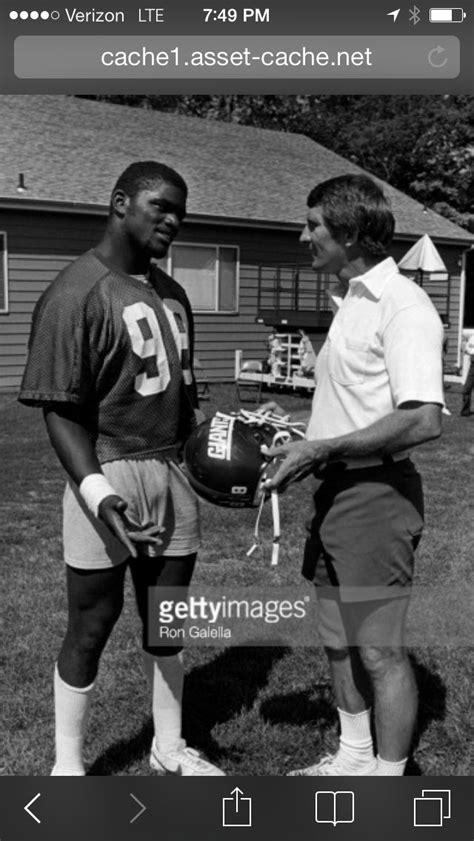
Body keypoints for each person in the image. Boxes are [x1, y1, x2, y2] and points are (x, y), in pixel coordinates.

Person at [18, 161, 224, 777]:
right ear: (119, 203)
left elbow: (182, 400)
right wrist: (97, 491)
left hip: (170, 474)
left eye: (180, 211)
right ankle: (67, 769)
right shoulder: (74, 292)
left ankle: (167, 746)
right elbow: (60, 409)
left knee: (167, 619)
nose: (173, 220)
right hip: (107, 471)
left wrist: (226, 444)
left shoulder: (174, 293)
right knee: (93, 623)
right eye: (160, 206)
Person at [263, 174, 444, 776]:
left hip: (376, 496)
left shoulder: (403, 306)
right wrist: (294, 433)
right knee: (337, 636)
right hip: (337, 489)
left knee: (380, 649)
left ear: (349, 231)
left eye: (312, 225)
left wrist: (324, 450)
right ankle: (353, 756)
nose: (303, 235)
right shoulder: (349, 301)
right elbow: (352, 403)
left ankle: (388, 783)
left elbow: (422, 419)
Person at [460, 333, 474, 416]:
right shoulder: (473, 337)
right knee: (466, 389)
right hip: (473, 366)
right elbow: (467, 348)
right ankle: (465, 411)